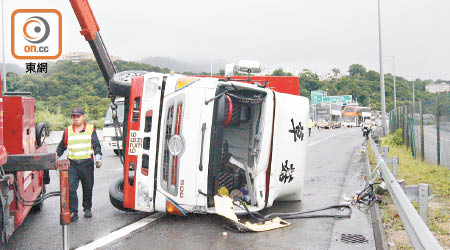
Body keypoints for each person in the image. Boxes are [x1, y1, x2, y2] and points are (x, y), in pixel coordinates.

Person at [56, 107, 102, 222]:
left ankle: (87, 208)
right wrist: (55, 156)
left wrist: (98, 157)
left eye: (78, 116)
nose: (76, 119)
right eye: (74, 117)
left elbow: (96, 145)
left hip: (87, 164)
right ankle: (73, 212)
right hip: (73, 165)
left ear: (83, 117)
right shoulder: (67, 131)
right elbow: (62, 146)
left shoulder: (90, 129)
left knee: (87, 188)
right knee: (71, 189)